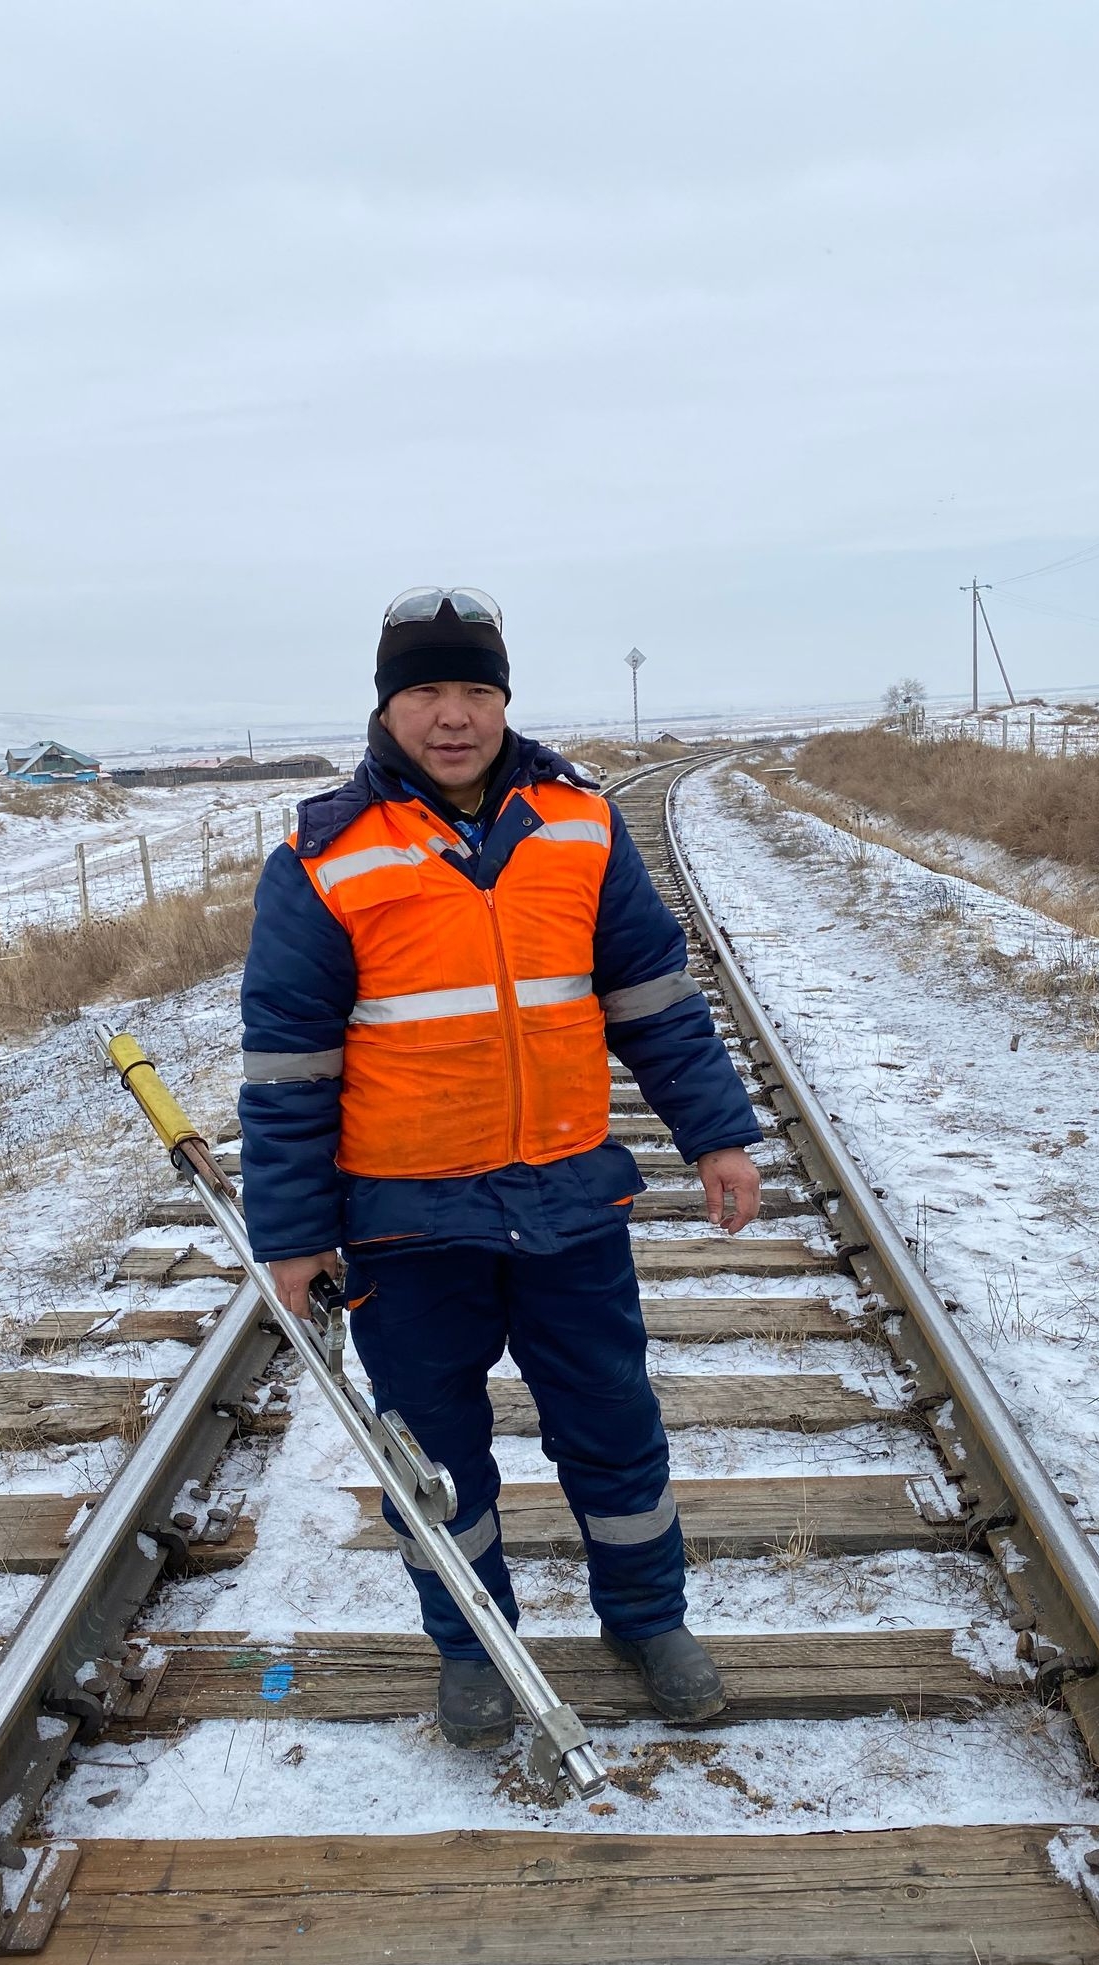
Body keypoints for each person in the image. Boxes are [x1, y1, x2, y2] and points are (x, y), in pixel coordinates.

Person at [238, 586, 763, 1747]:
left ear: (504, 698)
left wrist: (717, 1135)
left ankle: (649, 1618)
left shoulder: (579, 824)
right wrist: (292, 1234)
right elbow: (287, 1071)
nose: (454, 714)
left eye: (475, 688)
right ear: (388, 705)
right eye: (427, 689)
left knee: (615, 1424)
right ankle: (473, 1645)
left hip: (569, 1201)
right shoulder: (323, 858)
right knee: (432, 1455)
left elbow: (657, 1001)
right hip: (408, 1223)